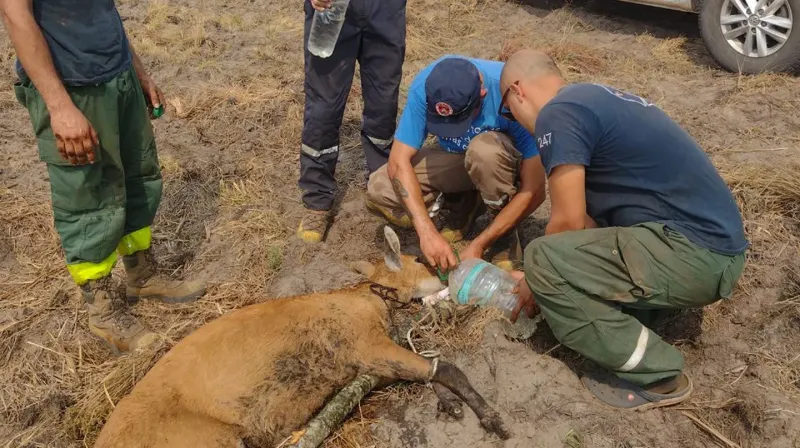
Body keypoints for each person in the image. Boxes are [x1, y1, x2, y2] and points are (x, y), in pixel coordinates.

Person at [500, 50, 748, 410]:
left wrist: (534, 279)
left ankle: (659, 376)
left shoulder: (559, 112)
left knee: (542, 257)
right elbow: (588, 225)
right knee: (564, 267)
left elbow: (567, 222)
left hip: (694, 253)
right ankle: (642, 317)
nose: (516, 121)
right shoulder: (594, 99)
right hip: (716, 252)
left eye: (508, 111)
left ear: (518, 91)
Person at [2, 0, 206, 353]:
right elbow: (16, 15)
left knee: (139, 177)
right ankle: (101, 307)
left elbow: (102, 11)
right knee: (88, 197)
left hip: (117, 76)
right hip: (73, 88)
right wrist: (60, 107)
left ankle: (141, 274)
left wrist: (137, 71)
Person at [367, 55, 547, 272]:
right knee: (381, 187)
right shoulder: (426, 89)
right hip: (458, 159)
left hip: (500, 164)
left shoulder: (509, 93)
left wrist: (481, 243)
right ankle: (463, 203)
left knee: (484, 152)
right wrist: (426, 232)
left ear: (482, 94)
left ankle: (505, 235)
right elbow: (397, 162)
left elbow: (535, 189)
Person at [296, 0, 407, 244]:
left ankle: (382, 189)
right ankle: (317, 200)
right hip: (332, 6)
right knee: (323, 107)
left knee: (384, 101)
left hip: (385, 9)